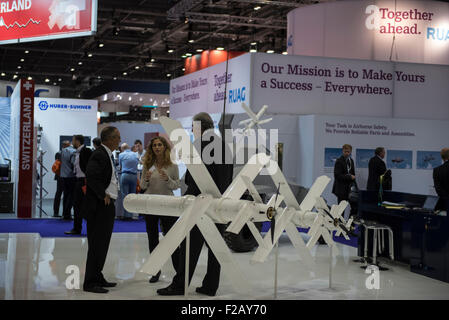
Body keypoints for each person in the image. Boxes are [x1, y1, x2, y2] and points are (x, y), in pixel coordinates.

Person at [157, 112, 233, 297]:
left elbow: (192, 177)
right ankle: (210, 286)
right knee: (215, 247)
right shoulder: (224, 146)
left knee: (189, 246)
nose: (192, 131)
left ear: (198, 127)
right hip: (218, 204)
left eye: (193, 127)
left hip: (200, 203)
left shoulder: (200, 145)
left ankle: (179, 285)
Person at [83, 126, 121, 294]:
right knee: (97, 244)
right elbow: (91, 176)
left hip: (106, 207)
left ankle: (97, 276)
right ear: (110, 139)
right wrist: (102, 194)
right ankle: (90, 282)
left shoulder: (106, 154)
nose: (119, 140)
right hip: (99, 207)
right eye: (118, 137)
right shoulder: (99, 154)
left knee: (102, 244)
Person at [140, 136, 180, 283]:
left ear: (165, 147)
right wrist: (146, 179)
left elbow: (176, 185)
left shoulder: (172, 165)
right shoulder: (147, 164)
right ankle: (155, 271)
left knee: (171, 238)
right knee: (152, 238)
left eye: (160, 145)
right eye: (154, 145)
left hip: (167, 204)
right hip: (150, 204)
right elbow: (143, 186)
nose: (157, 147)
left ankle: (179, 271)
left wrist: (167, 180)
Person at [65, 135, 92, 235]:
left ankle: (91, 229)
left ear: (78, 141)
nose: (72, 143)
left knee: (87, 206)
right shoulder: (76, 153)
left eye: (73, 140)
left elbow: (90, 166)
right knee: (77, 206)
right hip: (77, 181)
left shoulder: (87, 151)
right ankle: (77, 228)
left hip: (85, 181)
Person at [332, 144, 357, 217]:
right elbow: (337, 175)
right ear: (342, 151)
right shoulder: (339, 161)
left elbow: (353, 174)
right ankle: (339, 226)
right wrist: (349, 177)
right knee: (341, 210)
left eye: (348, 152)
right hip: (341, 189)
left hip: (350, 189)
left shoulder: (351, 161)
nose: (347, 153)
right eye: (345, 151)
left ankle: (349, 224)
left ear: (351, 152)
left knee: (355, 207)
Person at [118, 143, 139, 220]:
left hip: (125, 175)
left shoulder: (121, 155)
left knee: (125, 196)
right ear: (129, 147)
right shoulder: (135, 154)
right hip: (134, 176)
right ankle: (131, 215)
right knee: (132, 196)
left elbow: (120, 166)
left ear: (122, 149)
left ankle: (126, 215)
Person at [60, 140, 76, 220]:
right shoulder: (73, 151)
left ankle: (64, 213)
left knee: (65, 195)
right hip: (71, 176)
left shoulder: (62, 151)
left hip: (63, 176)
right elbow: (73, 164)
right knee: (71, 196)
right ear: (69, 144)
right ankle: (68, 214)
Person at [52, 146, 65, 217]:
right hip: (63, 176)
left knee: (58, 194)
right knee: (64, 195)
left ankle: (56, 212)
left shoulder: (58, 153)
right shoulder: (61, 154)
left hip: (60, 176)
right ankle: (63, 212)